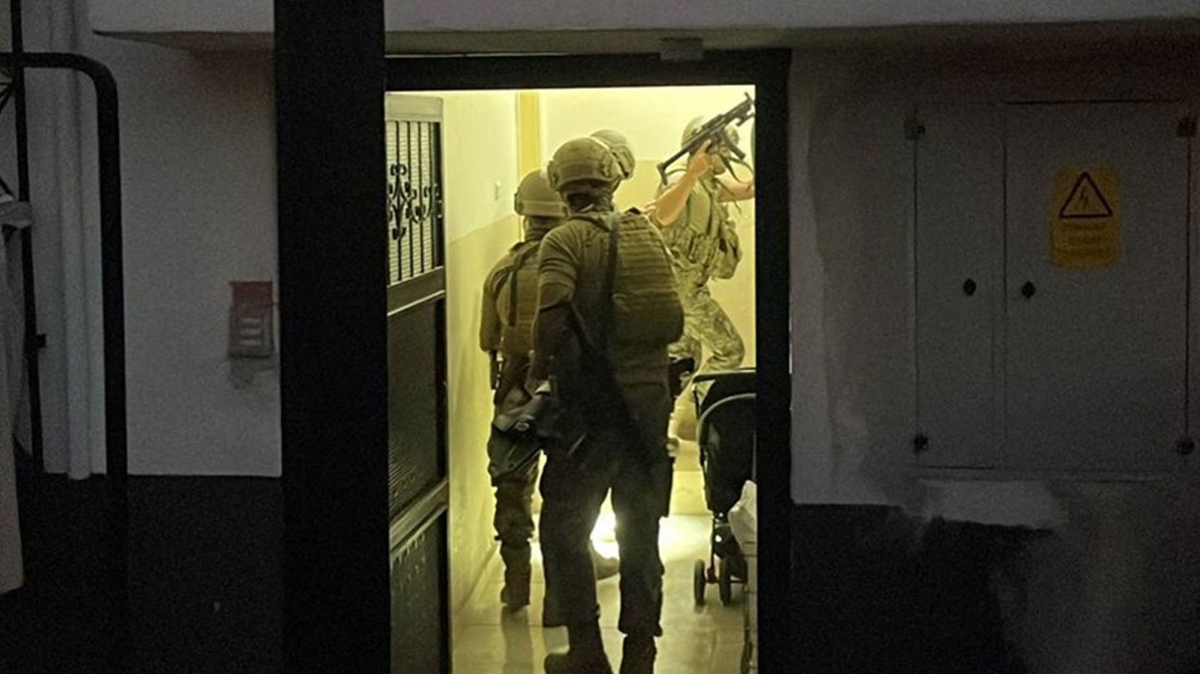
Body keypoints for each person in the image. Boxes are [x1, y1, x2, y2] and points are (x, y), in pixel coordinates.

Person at [531, 137, 683, 674]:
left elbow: (551, 317)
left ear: (560, 186)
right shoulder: (647, 233)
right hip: (649, 407)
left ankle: (587, 651)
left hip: (589, 412)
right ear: (612, 181)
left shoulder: (564, 240)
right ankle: (641, 652)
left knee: (563, 528)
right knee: (640, 530)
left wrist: (534, 374)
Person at [479, 169, 618, 614]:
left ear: (521, 211)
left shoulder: (502, 271)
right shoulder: (576, 262)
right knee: (566, 500)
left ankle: (516, 585)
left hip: (515, 392)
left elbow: (487, 339)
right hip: (566, 392)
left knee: (511, 490)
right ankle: (559, 598)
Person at [646, 119, 754, 388]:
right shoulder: (681, 179)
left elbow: (748, 189)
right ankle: (703, 407)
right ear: (703, 148)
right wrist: (691, 175)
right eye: (724, 149)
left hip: (684, 289)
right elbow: (662, 214)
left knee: (684, 358)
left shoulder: (708, 184)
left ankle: (668, 409)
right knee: (730, 351)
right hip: (681, 292)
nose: (728, 155)